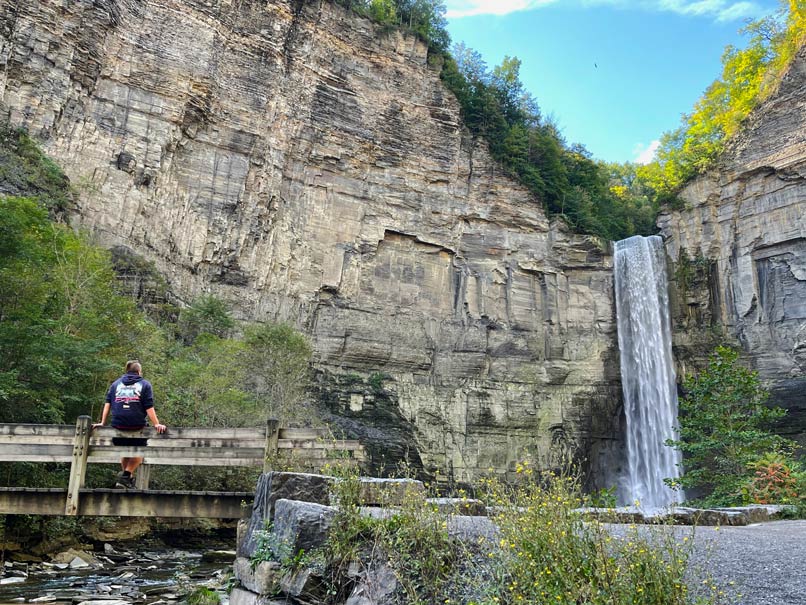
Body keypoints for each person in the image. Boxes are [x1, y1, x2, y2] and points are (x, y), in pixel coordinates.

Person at [93, 360, 167, 488]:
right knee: (141, 451)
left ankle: (126, 479)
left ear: (127, 371)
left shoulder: (115, 384)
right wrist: (157, 424)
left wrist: (102, 422)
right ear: (139, 372)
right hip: (136, 424)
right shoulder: (144, 384)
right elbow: (149, 406)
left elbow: (107, 404)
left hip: (118, 424)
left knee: (125, 451)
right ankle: (126, 476)